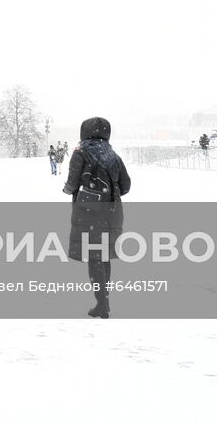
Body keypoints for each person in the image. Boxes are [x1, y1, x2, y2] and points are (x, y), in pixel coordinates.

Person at [63, 117, 132, 319]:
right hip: (112, 213)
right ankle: (105, 302)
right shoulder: (113, 155)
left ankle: (101, 304)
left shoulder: (80, 153)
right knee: (104, 257)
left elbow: (71, 184)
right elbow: (126, 185)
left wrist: (69, 190)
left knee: (94, 257)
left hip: (89, 213)